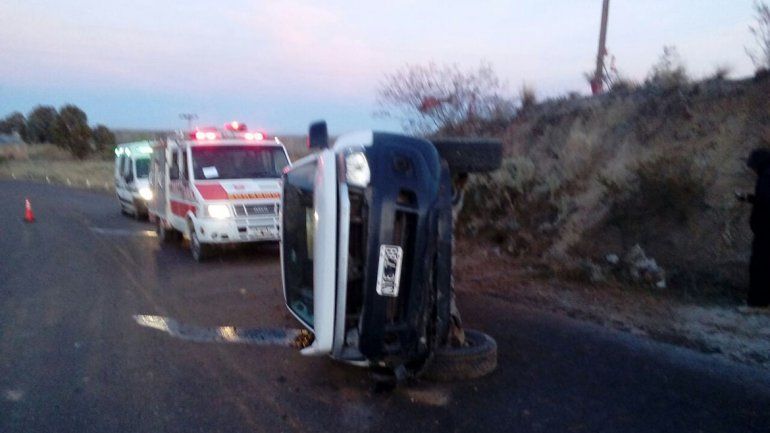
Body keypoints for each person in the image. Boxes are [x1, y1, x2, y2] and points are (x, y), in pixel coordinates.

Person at [737, 149, 770, 309]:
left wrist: (749, 199)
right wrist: (748, 198)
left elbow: (765, 201)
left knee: (759, 267)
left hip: (765, 231)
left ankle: (757, 302)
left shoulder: (767, 176)